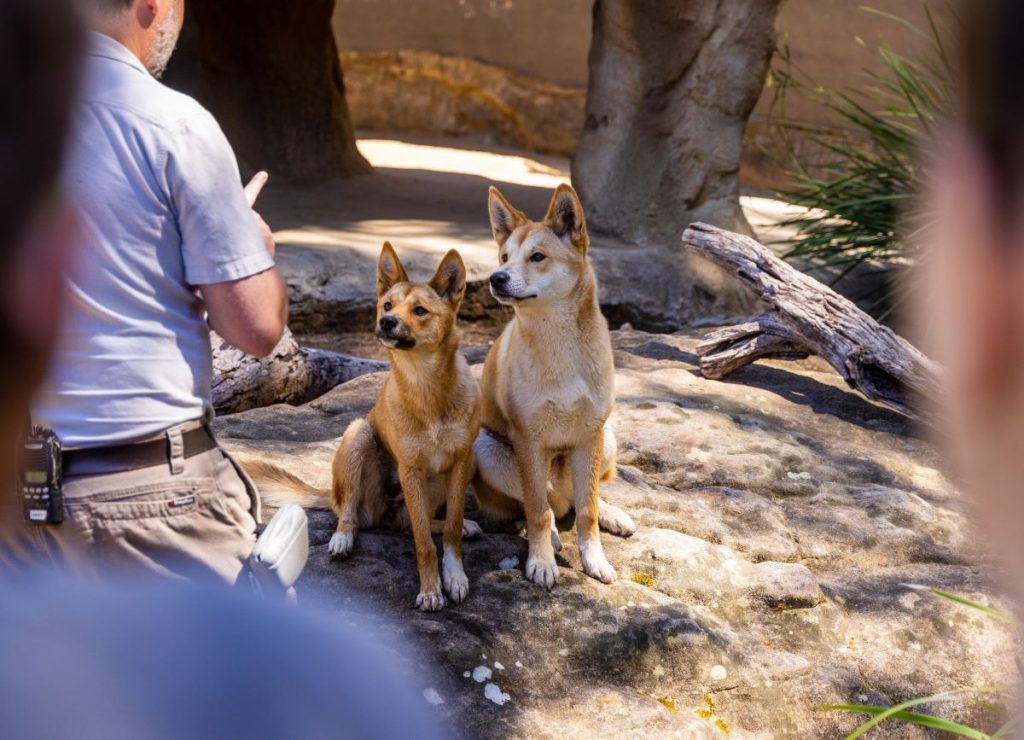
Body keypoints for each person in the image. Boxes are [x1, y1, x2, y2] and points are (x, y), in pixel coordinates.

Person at [1, 0, 289, 583]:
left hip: (16, 505)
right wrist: (247, 247)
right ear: (149, 7)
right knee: (212, 675)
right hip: (153, 497)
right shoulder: (173, 123)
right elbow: (256, 327)